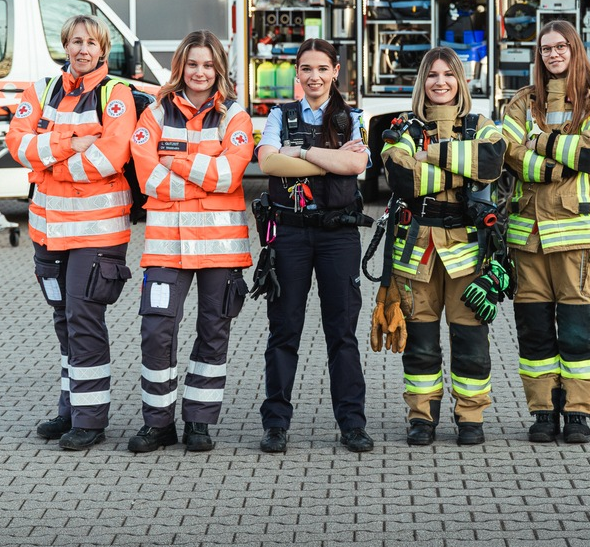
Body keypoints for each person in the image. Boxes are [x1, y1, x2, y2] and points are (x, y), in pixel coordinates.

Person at [6, 14, 139, 451]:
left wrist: (48, 164)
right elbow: (17, 145)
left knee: (83, 319)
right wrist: (69, 145)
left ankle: (90, 419)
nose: (83, 49)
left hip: (96, 234)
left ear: (103, 50)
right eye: (76, 41)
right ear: (65, 45)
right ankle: (70, 409)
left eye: (92, 43)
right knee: (64, 322)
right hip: (48, 232)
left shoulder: (115, 95)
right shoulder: (40, 90)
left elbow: (110, 157)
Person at [127, 30, 254, 453]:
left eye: (208, 64)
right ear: (181, 66)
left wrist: (176, 161)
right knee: (156, 332)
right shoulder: (157, 113)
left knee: (213, 331)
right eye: (192, 64)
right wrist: (203, 175)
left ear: (219, 68)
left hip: (221, 248)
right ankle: (158, 423)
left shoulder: (236, 116)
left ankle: (199, 421)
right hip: (167, 247)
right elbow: (148, 178)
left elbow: (229, 177)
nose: (200, 73)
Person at [379, 47, 506, 446]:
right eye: (432, 75)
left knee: (470, 340)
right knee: (419, 342)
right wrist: (460, 174)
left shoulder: (480, 124)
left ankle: (471, 417)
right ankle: (422, 418)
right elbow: (401, 178)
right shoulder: (401, 127)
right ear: (422, 82)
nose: (440, 82)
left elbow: (491, 163)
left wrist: (430, 156)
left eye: (448, 74)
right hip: (416, 250)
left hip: (467, 252)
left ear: (460, 81)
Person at [500, 19, 590, 444]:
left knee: (577, 330)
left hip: (578, 239)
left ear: (574, 50)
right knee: (533, 330)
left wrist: (540, 142)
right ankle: (542, 411)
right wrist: (552, 163)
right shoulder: (522, 101)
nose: (552, 54)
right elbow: (507, 155)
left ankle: (578, 413)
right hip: (527, 238)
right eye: (545, 48)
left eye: (560, 47)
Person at [254, 38, 375, 454]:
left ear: (335, 72)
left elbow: (355, 165)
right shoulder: (279, 115)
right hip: (288, 234)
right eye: (306, 69)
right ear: (298, 73)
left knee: (342, 333)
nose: (314, 76)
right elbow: (269, 163)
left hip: (338, 237)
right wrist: (329, 159)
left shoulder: (351, 118)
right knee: (284, 330)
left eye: (322, 69)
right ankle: (276, 425)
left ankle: (352, 424)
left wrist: (302, 151)